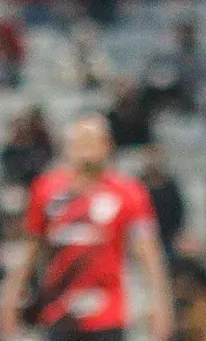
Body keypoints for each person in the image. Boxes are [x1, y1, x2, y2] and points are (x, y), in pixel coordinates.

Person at [0, 114, 173, 341]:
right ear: (66, 147)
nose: (86, 148)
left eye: (92, 140)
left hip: (107, 315)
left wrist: (161, 303)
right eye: (80, 141)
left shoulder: (130, 192)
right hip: (58, 312)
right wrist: (10, 298)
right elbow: (30, 248)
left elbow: (148, 253)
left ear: (107, 146)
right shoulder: (45, 190)